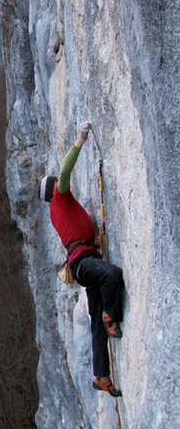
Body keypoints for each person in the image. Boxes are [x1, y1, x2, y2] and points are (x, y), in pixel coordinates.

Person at [38, 122, 124, 397]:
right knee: (111, 275)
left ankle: (101, 377)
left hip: (82, 261)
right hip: (84, 259)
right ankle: (112, 313)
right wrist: (80, 140)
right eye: (57, 183)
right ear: (54, 189)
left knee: (96, 326)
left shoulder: (57, 210)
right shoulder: (58, 199)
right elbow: (65, 173)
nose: (61, 183)